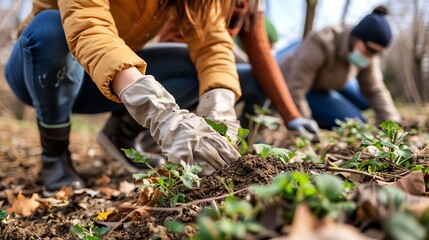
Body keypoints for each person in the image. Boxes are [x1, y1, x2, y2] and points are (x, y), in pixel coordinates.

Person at [4, 0, 244, 195]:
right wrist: (161, 115)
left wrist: (220, 113)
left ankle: (119, 135)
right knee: (51, 26)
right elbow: (88, 25)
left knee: (190, 67)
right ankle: (54, 156)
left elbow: (212, 45)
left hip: (101, 76)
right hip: (39, 70)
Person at [157, 0, 319, 134]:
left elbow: (263, 58)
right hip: (172, 67)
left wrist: (291, 116)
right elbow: (209, 44)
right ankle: (153, 135)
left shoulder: (250, 6)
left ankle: (244, 143)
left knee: (254, 77)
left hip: (210, 68)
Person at [279, 5, 401, 129]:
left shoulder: (369, 55)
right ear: (358, 37)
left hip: (328, 83)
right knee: (358, 123)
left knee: (364, 100)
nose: (371, 57)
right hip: (297, 85)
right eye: (370, 50)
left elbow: (375, 89)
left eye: (378, 53)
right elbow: (296, 88)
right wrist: (305, 122)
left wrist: (393, 121)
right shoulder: (323, 41)